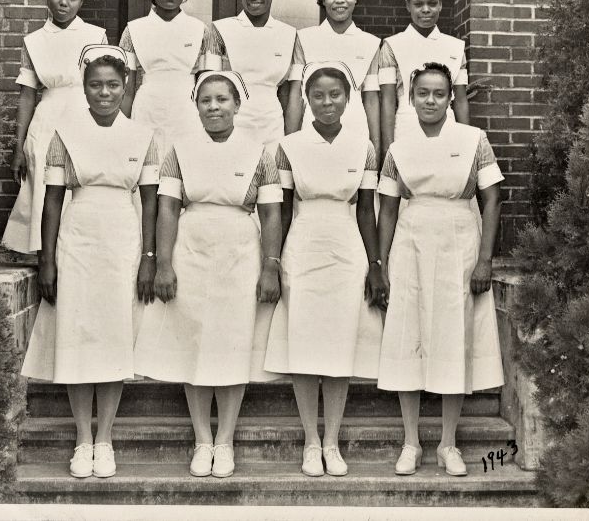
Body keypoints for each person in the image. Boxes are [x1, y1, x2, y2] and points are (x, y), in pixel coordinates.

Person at [133, 71, 283, 479]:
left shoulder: (259, 152)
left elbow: (271, 212)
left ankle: (226, 440)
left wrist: (271, 266)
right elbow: (166, 207)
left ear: (237, 104)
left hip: (240, 251)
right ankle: (203, 439)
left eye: (222, 99)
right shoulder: (179, 149)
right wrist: (163, 263)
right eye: (205, 100)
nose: (214, 107)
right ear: (196, 106)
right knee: (195, 344)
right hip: (192, 249)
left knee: (232, 345)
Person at [20, 45, 159, 480]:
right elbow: (52, 202)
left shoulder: (143, 136)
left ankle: (106, 438)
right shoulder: (66, 135)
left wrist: (148, 258)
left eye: (113, 85)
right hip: (77, 240)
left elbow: (151, 204)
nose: (105, 93)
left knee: (113, 335)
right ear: (84, 88)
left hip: (122, 238)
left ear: (126, 87)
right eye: (96, 85)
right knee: (79, 335)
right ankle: (83, 438)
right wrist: (47, 260)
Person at [375, 62, 504, 478]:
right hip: (410, 243)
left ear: (451, 99)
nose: (430, 100)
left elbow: (492, 199)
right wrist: (381, 265)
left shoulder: (473, 139)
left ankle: (449, 442)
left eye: (439, 94)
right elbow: (388, 209)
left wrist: (485, 258)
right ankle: (411, 441)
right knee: (408, 333)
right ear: (410, 99)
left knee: (454, 335)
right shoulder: (398, 148)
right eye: (422, 93)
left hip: (459, 242)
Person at [264, 62, 385, 478]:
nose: (327, 102)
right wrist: (274, 261)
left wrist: (375, 265)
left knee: (338, 345)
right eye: (318, 95)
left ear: (347, 99)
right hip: (303, 244)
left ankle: (331, 441)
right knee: (304, 344)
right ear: (306, 100)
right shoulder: (289, 146)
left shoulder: (363, 147)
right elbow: (279, 208)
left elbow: (367, 211)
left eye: (335, 95)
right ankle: (310, 441)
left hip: (346, 247)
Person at [2, 0, 108, 254]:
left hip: (83, 117)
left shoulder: (95, 36)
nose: (64, 2)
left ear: (81, 2)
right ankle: (42, 254)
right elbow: (26, 95)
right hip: (46, 121)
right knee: (45, 182)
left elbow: (103, 86)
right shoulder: (34, 40)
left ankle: (76, 251)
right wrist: (19, 146)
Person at [120, 0, 216, 161]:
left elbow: (210, 87)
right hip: (146, 111)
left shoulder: (200, 31)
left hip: (187, 114)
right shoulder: (134, 30)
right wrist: (120, 130)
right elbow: (126, 91)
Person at [210, 0, 301, 152]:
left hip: (272, 129)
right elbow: (211, 89)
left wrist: (290, 143)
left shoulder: (289, 35)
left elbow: (286, 95)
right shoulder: (221, 30)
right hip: (230, 128)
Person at [378, 0, 469, 157]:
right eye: (418, 4)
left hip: (448, 131)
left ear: (441, 4)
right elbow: (387, 101)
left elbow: (460, 101)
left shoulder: (455, 47)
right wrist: (388, 150)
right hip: (405, 130)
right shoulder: (392, 45)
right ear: (408, 6)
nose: (426, 10)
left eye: (432, 3)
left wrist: (466, 144)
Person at [292, 0, 382, 156]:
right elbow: (296, 95)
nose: (339, 0)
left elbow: (371, 100)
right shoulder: (305, 38)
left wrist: (375, 149)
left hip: (356, 128)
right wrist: (289, 143)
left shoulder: (370, 43)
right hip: (312, 128)